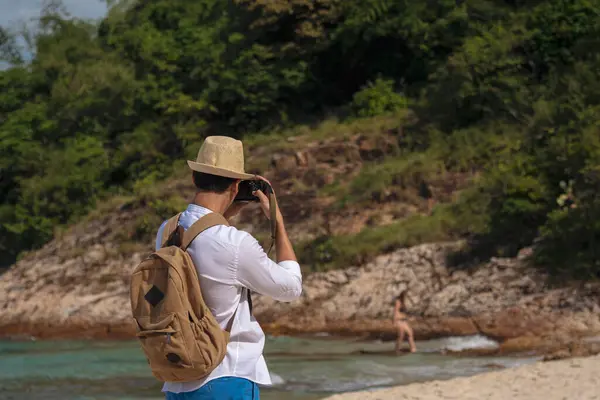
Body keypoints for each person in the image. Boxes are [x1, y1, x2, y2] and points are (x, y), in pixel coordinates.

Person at [155, 136, 302, 400]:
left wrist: (225, 211)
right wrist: (277, 223)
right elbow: (291, 288)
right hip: (225, 377)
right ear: (236, 186)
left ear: (194, 178)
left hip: (177, 380)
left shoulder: (166, 231)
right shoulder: (233, 242)